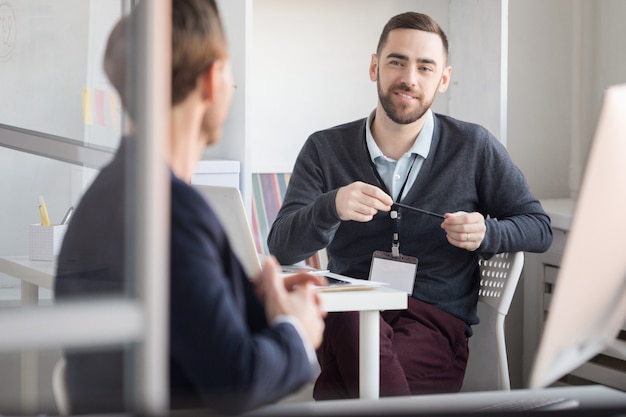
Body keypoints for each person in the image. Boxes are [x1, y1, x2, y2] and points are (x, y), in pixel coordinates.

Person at [55, 0, 326, 414]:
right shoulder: (172, 210)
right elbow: (235, 380)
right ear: (213, 80)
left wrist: (251, 300)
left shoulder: (109, 193)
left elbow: (183, 320)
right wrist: (297, 331)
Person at [267, 11, 553, 400]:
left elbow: (539, 227)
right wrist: (330, 206)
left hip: (435, 323)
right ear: (374, 67)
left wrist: (488, 232)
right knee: (353, 320)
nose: (410, 78)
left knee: (352, 384)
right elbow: (282, 245)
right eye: (397, 61)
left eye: (425, 66)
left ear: (444, 79)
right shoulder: (324, 149)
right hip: (349, 317)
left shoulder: (473, 147)